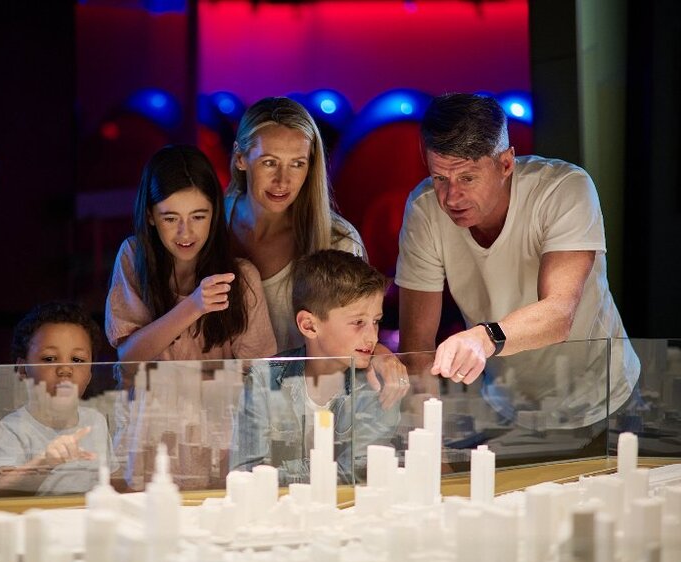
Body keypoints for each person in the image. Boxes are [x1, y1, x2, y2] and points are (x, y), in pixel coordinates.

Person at [395, 92, 639, 427]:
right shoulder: (424, 208)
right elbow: (417, 345)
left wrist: (483, 338)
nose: (451, 197)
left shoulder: (564, 188)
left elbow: (558, 314)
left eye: (467, 177)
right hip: (506, 405)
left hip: (604, 399)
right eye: (440, 178)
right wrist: (429, 440)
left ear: (506, 164)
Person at [231, 249, 399, 485]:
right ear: (309, 326)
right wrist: (324, 469)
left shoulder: (376, 385)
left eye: (376, 321)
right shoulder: (264, 377)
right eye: (358, 322)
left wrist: (281, 471)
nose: (372, 336)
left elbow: (357, 476)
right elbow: (245, 473)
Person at [105, 144, 276, 362]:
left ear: (214, 213)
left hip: (220, 397)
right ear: (150, 216)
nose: (185, 233)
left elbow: (261, 373)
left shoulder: (241, 277)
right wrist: (194, 306)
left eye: (198, 217)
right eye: (170, 218)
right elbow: (128, 356)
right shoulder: (135, 254)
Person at [225, 97, 367, 352]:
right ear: (240, 158)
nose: (283, 180)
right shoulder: (204, 226)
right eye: (269, 162)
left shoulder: (338, 239)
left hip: (311, 392)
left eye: (297, 164)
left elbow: (357, 337)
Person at [0, 301, 116, 496]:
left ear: (89, 374)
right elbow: (1, 491)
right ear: (22, 369)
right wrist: (46, 461)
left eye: (77, 360)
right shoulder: (9, 431)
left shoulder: (96, 421)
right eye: (50, 359)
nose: (65, 369)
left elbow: (112, 482)